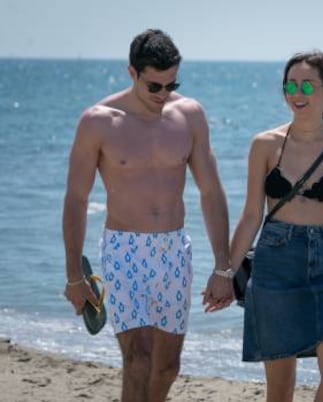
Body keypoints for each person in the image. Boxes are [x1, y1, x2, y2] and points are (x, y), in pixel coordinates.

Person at [62, 28, 233, 402]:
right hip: (123, 251)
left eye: (171, 85)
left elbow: (211, 191)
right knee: (138, 359)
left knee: (167, 367)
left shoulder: (189, 115)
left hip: (174, 251)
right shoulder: (99, 121)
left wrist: (224, 266)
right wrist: (74, 275)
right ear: (132, 73)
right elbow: (76, 198)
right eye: (154, 86)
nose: (163, 95)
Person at [225, 50, 323, 402]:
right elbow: (250, 216)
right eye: (290, 84)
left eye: (307, 84)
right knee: (281, 389)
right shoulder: (265, 144)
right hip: (275, 262)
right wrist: (225, 272)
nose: (297, 93)